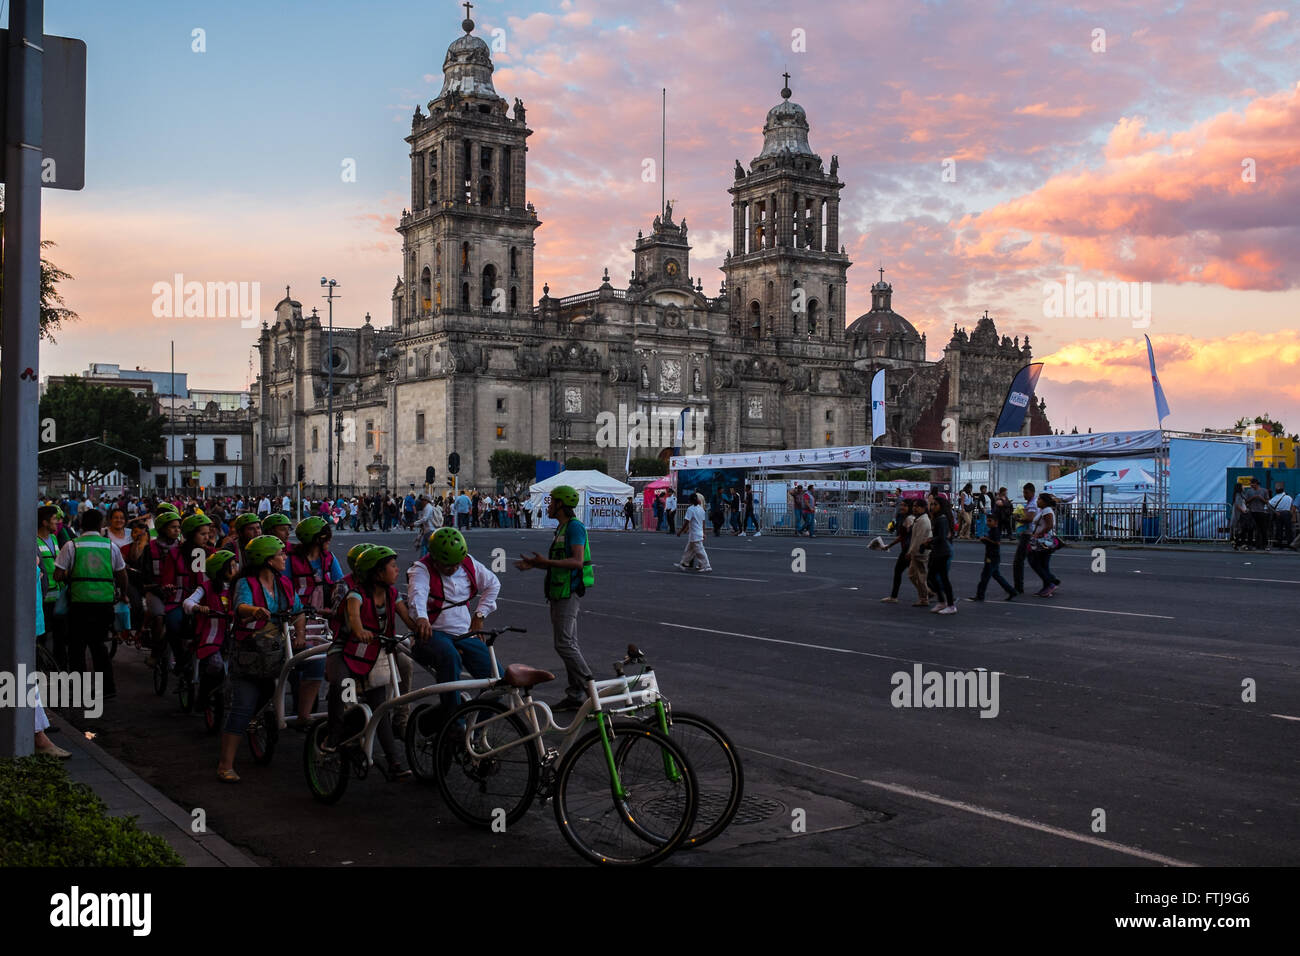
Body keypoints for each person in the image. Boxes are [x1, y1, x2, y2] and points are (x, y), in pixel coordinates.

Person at [325, 545, 417, 775]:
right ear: (377, 573)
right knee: (342, 686)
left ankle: (394, 762)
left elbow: (407, 617)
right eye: (393, 566)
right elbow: (354, 618)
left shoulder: (392, 595)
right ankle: (334, 735)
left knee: (380, 708)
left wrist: (421, 629)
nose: (397, 570)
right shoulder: (355, 594)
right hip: (346, 652)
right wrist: (359, 631)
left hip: (373, 654)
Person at [219, 535, 304, 781]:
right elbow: (240, 606)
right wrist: (254, 609)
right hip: (249, 654)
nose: (285, 557)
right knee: (243, 706)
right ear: (266, 560)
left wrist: (299, 634)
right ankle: (225, 765)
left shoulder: (284, 583)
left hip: (277, 652)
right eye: (280, 554)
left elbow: (298, 611)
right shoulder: (246, 583)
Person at [407, 527, 501, 723]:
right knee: (450, 658)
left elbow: (493, 584)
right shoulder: (421, 569)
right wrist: (422, 618)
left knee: (497, 678)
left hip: (464, 634)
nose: (454, 568)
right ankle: (454, 724)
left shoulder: (468, 564)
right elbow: (417, 593)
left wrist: (480, 614)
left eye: (457, 563)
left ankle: (475, 731)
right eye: (448, 566)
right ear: (434, 558)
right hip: (434, 634)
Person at [514, 485, 594, 711]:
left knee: (564, 644)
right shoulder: (562, 528)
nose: (548, 506)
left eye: (551, 502)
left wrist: (544, 563)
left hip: (569, 590)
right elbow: (560, 563)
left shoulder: (574, 528)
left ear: (560, 504)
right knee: (569, 642)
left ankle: (591, 689)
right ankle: (576, 694)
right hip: (559, 590)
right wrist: (536, 565)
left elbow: (576, 562)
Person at [54, 509, 127, 699]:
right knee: (98, 646)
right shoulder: (110, 546)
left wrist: (72, 576)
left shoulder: (71, 546)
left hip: (78, 604)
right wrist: (123, 594)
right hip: (103, 604)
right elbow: (122, 575)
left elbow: (58, 575)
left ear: (82, 524)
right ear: (100, 525)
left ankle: (79, 690)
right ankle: (107, 688)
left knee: (77, 648)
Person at [286, 517, 340, 726]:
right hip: (299, 617)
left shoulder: (329, 558)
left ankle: (309, 701)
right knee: (301, 660)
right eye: (325, 537)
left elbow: (338, 583)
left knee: (323, 656)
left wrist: (334, 607)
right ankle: (301, 700)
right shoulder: (291, 560)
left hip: (324, 617)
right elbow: (286, 589)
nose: (329, 541)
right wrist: (299, 608)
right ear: (316, 539)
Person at [967, 500, 1017, 602]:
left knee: (985, 577)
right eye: (987, 520)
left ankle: (980, 595)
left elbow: (997, 543)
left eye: (990, 521)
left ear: (995, 522)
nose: (988, 522)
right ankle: (1011, 591)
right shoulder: (991, 531)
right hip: (992, 556)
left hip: (992, 557)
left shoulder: (995, 531)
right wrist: (985, 540)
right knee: (997, 576)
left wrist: (986, 540)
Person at [38, 506, 69, 668]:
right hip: (43, 598)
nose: (58, 522)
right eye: (54, 519)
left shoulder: (55, 539)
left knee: (60, 637)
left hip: (58, 597)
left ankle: (61, 669)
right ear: (44, 522)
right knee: (42, 636)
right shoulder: (33, 541)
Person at [924, 495, 957, 614]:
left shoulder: (942, 519)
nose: (932, 506)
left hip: (942, 552)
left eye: (935, 504)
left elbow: (942, 537)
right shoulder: (938, 518)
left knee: (940, 578)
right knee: (933, 577)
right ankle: (942, 602)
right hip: (938, 551)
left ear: (941, 506)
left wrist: (930, 540)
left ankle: (950, 605)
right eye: (931, 504)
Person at [1027, 493, 1063, 597]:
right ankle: (1048, 585)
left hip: (1043, 541)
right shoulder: (1042, 510)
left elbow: (1050, 525)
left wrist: (1039, 534)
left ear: (1045, 501)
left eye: (1039, 499)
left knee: (1034, 562)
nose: (1037, 501)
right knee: (1043, 565)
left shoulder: (1047, 510)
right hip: (1041, 540)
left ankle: (1050, 583)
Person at [879, 499, 914, 603]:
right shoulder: (904, 518)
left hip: (909, 551)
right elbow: (901, 537)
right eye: (901, 505)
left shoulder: (909, 519)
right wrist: (889, 545)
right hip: (907, 550)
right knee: (913, 574)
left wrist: (910, 551)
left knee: (918, 575)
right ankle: (930, 593)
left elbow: (911, 536)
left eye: (905, 505)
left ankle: (933, 593)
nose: (902, 507)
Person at [1011, 483, 1039, 594]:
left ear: (1032, 492)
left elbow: (1029, 518)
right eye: (1023, 492)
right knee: (1035, 562)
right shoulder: (1031, 503)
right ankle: (1050, 580)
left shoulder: (1032, 504)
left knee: (1018, 561)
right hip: (1029, 534)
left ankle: (1018, 587)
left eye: (1026, 492)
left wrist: (1018, 519)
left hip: (1028, 535)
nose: (1024, 495)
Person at [905, 498, 931, 607]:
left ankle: (924, 598)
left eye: (917, 506)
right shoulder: (918, 519)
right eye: (913, 506)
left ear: (923, 508)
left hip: (920, 553)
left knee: (920, 576)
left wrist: (910, 552)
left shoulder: (923, 520)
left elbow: (918, 539)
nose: (914, 508)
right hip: (916, 551)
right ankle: (926, 592)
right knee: (912, 575)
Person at [1243, 477, 1270, 551]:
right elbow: (1246, 501)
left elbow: (1267, 502)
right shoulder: (1249, 491)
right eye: (1251, 484)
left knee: (1263, 529)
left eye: (1252, 484)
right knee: (1250, 529)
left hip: (1261, 512)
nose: (1251, 485)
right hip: (1252, 512)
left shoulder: (1264, 491)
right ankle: (1250, 545)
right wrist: (1253, 498)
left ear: (1256, 484)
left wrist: (1261, 498)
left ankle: (1265, 545)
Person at [1269, 482, 1293, 548]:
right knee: (1288, 529)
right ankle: (1290, 543)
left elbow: (1268, 505)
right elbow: (1292, 505)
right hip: (1287, 513)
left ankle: (1279, 544)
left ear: (1276, 491)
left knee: (1279, 529)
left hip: (1278, 514)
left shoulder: (1275, 498)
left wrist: (1274, 512)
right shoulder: (1289, 497)